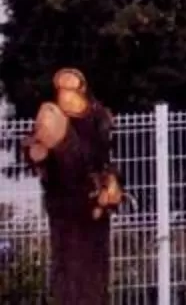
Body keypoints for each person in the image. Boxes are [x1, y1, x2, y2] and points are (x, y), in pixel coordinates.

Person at [22, 68, 118, 305]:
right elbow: (36, 152)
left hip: (89, 209)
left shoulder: (97, 120)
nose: (67, 97)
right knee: (68, 277)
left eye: (72, 90)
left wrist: (107, 186)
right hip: (65, 210)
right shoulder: (54, 127)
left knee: (89, 281)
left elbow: (102, 158)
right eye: (62, 91)